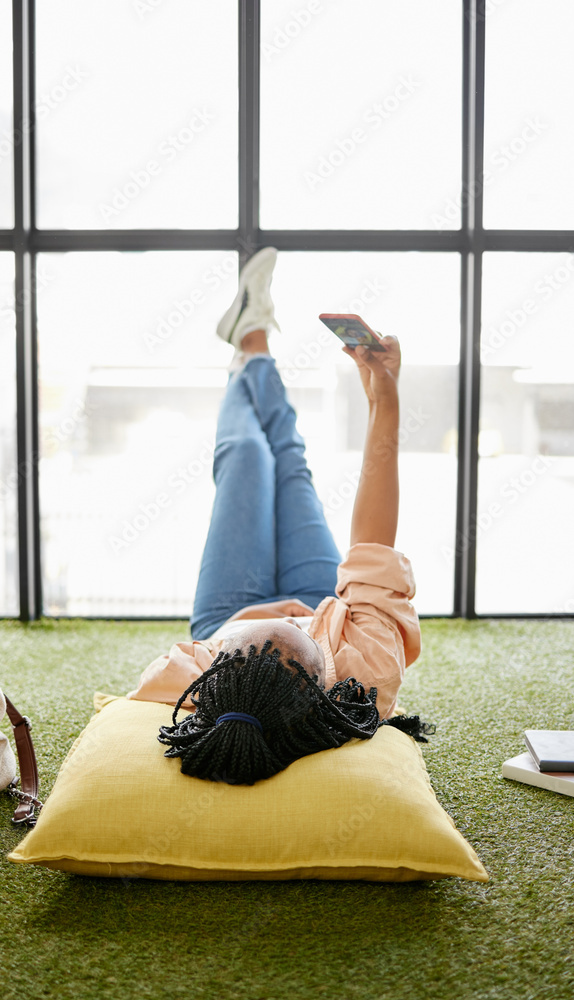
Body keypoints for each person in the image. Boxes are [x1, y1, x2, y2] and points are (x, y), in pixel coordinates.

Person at [127, 247, 430, 784]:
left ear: (214, 670)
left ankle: (250, 349)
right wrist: (386, 395)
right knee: (289, 462)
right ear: (321, 676)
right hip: (326, 597)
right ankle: (252, 343)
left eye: (253, 640)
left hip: (225, 609)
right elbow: (373, 543)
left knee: (245, 456)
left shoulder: (182, 683)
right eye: (293, 628)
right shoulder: (366, 674)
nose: (286, 612)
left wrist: (240, 623)